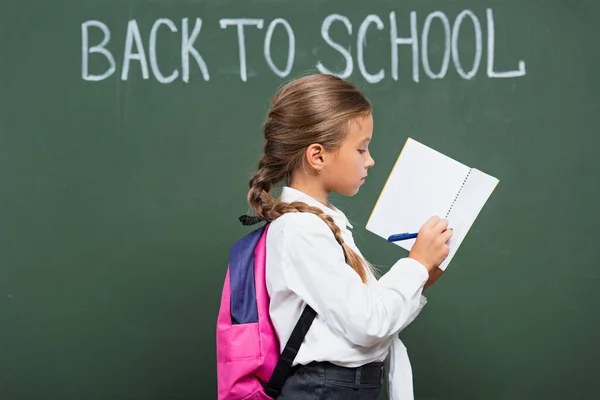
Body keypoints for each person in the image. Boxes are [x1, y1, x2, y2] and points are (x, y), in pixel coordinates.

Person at [244, 73, 452, 400]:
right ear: (317, 156)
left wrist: (421, 276)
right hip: (325, 390)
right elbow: (368, 324)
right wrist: (415, 264)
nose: (370, 160)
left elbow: (364, 317)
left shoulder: (322, 223)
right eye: (361, 149)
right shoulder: (301, 230)